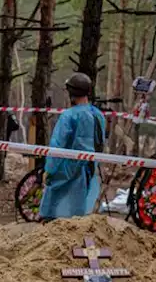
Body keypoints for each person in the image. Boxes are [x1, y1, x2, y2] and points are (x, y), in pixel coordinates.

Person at [38, 72, 106, 221]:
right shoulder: (98, 115)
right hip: (90, 170)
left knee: (57, 216)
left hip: (66, 171)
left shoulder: (69, 116)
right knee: (82, 216)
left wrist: (49, 170)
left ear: (71, 93)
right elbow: (101, 142)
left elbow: (57, 145)